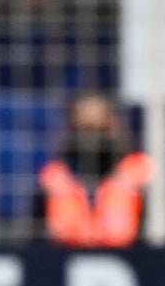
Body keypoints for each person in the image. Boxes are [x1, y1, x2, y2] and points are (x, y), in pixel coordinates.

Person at [37, 94, 153, 248]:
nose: (92, 132)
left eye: (100, 124)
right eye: (85, 125)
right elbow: (37, 232)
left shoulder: (137, 174)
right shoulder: (54, 176)